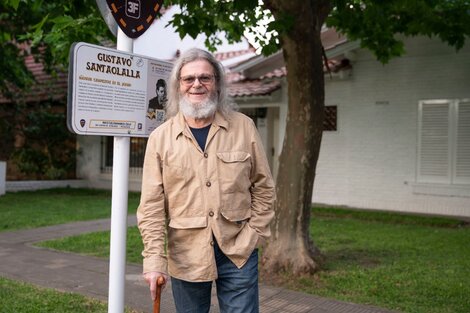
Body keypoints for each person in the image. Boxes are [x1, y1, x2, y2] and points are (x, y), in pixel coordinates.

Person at [137, 48, 275, 313]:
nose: (196, 84)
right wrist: (154, 261)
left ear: (217, 84)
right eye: (188, 79)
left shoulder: (244, 127)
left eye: (205, 78)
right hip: (186, 253)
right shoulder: (161, 138)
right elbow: (151, 206)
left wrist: (253, 233)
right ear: (178, 86)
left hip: (238, 250)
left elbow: (264, 187)